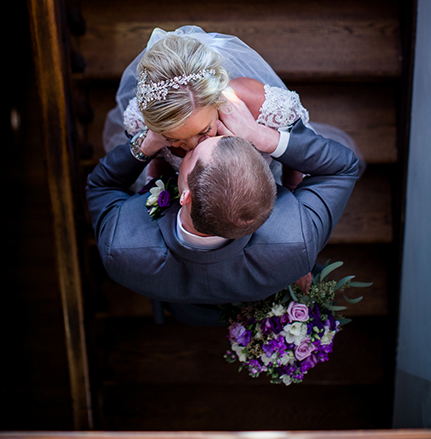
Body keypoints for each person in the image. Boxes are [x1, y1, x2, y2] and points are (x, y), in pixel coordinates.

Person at [86, 85, 362, 326]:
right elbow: (342, 167)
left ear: (186, 196)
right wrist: (263, 136)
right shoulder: (296, 242)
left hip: (185, 311)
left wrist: (146, 146)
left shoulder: (119, 247)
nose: (193, 143)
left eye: (193, 153)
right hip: (252, 290)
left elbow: (101, 185)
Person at [102, 26, 321, 190]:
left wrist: (291, 196)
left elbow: (296, 155)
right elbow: (160, 165)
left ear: (218, 99)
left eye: (204, 131)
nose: (193, 148)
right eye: (173, 140)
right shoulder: (143, 120)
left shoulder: (260, 106)